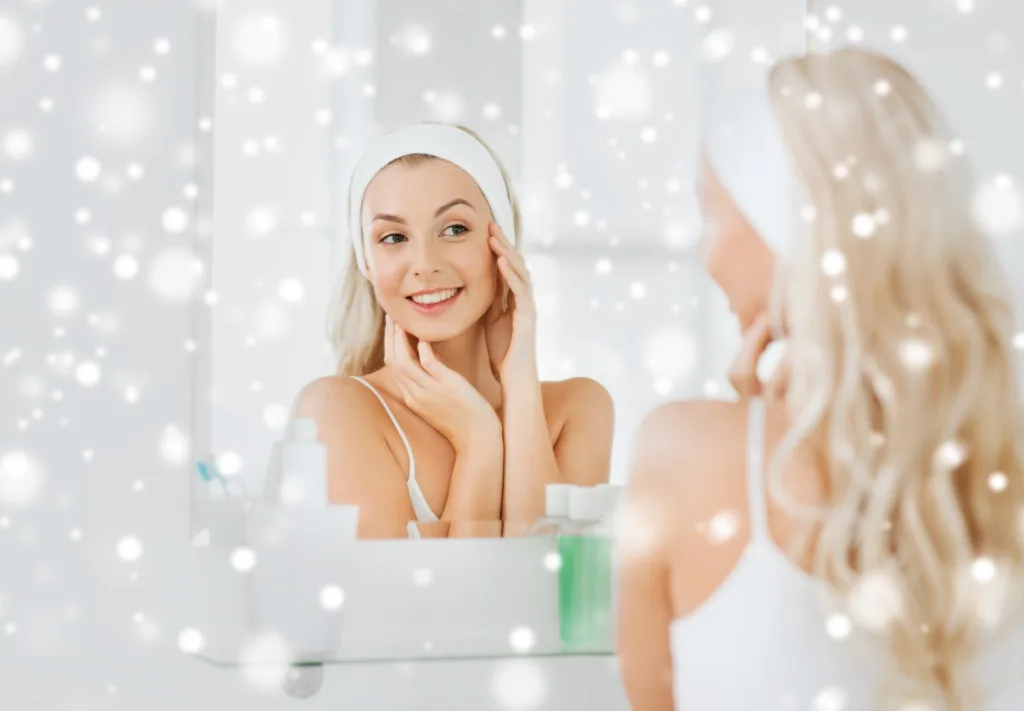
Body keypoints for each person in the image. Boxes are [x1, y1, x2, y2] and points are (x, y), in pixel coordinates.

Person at [617, 47, 1024, 711]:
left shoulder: (681, 451)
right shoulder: (995, 470)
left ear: (786, 223)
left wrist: (749, 431)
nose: (707, 253)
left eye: (714, 215)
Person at [292, 123, 614, 539]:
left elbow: (550, 575)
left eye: (454, 229)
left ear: (501, 242)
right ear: (367, 264)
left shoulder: (578, 408)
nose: (425, 264)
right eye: (394, 237)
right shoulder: (338, 411)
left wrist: (520, 386)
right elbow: (437, 585)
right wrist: (479, 444)